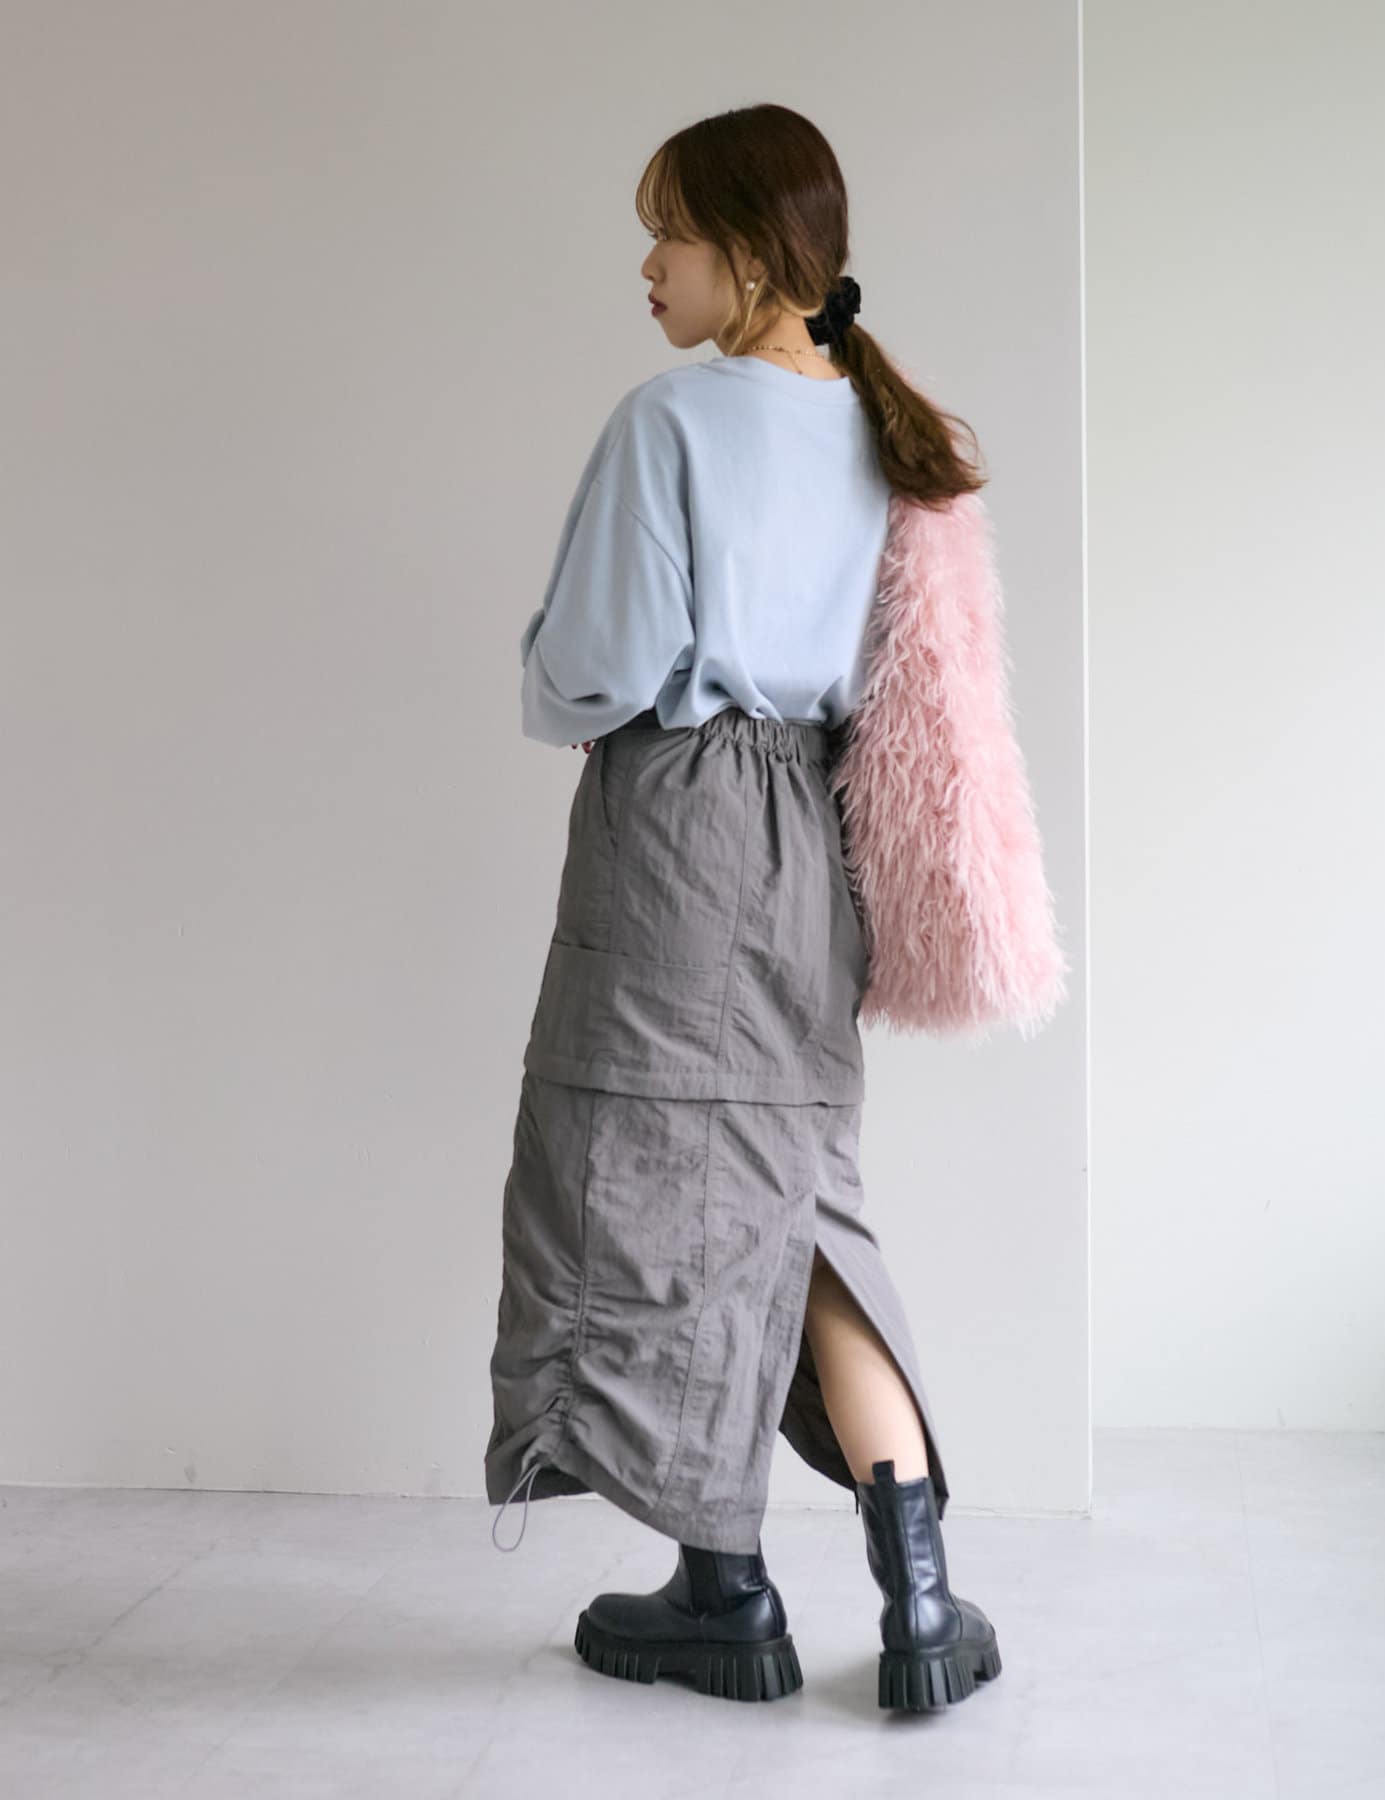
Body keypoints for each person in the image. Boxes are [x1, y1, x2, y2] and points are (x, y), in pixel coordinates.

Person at [484, 102, 1003, 1714]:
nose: (647, 266)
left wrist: (538, 667)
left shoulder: (673, 419)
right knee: (800, 1198)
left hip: (682, 822)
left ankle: (726, 1592)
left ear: (754, 254)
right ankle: (920, 1603)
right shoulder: (878, 424)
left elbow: (599, 667)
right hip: (812, 838)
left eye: (672, 234)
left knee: (641, 1181)